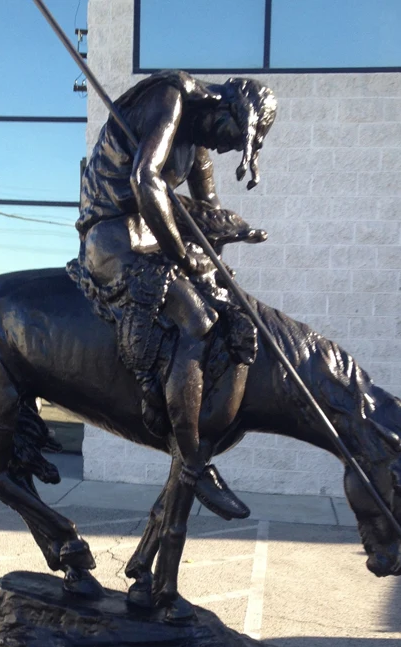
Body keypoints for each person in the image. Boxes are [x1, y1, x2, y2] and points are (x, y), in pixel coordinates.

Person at [75, 71, 276, 514]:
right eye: (231, 137)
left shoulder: (200, 138)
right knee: (195, 318)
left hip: (149, 234)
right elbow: (145, 180)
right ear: (224, 108)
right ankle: (193, 461)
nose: (225, 148)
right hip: (110, 236)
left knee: (221, 304)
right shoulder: (170, 101)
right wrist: (185, 261)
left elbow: (209, 212)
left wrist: (220, 258)